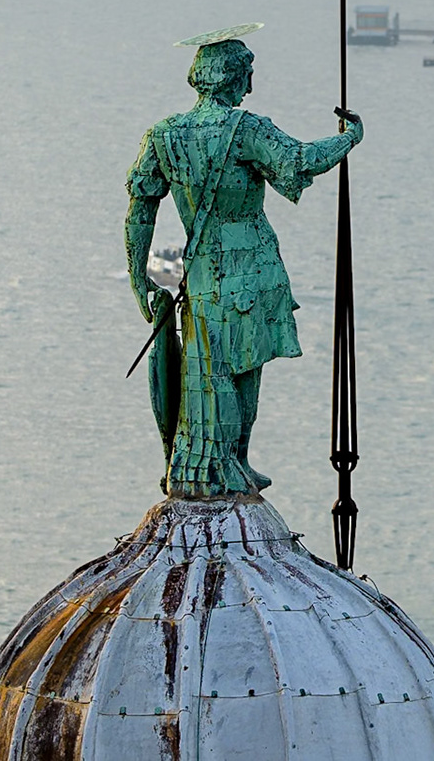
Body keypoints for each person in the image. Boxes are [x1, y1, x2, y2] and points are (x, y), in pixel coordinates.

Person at [125, 27, 362, 497]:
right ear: (231, 78)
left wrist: (142, 279)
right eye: (247, 75)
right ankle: (231, 462)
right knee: (243, 369)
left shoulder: (163, 135)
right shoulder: (246, 129)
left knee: (206, 370)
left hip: (198, 271)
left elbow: (140, 210)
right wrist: (351, 137)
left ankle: (213, 462)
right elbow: (300, 160)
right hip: (250, 272)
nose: (250, 87)